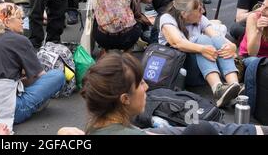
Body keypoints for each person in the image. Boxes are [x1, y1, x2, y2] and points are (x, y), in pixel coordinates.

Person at [59, 52, 268, 135]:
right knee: (203, 130)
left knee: (203, 127)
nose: (147, 88)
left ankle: (259, 131)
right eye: (140, 84)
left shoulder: (94, 125)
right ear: (124, 99)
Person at [0, 3, 65, 129]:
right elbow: (39, 76)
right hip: (9, 110)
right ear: (7, 22)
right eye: (19, 18)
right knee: (57, 76)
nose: (23, 21)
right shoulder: (19, 40)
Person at [159, 0, 241, 107]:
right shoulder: (167, 19)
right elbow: (177, 42)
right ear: (184, 13)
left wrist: (232, 46)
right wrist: (202, 49)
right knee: (202, 40)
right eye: (198, 9)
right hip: (181, 71)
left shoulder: (200, 19)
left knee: (217, 40)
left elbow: (217, 37)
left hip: (202, 71)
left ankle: (234, 86)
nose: (202, 12)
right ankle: (217, 89)